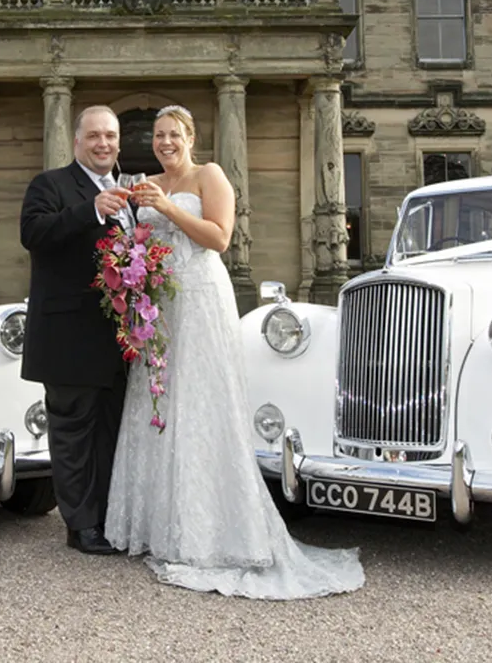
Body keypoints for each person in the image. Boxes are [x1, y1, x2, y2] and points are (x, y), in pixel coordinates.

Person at [104, 104, 365, 600]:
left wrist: (167, 208)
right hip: (162, 309)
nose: (165, 142)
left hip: (201, 299)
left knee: (202, 405)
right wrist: (132, 250)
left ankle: (210, 530)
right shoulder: (148, 180)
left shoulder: (210, 175)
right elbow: (144, 241)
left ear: (190, 136)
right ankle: (158, 527)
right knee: (159, 403)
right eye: (158, 135)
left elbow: (220, 238)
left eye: (174, 134)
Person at [19, 105, 136, 556]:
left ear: (119, 142)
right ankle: (80, 526)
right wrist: (90, 210)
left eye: (110, 136)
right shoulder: (49, 185)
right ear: (77, 142)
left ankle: (106, 518)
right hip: (69, 338)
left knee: (110, 434)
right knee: (73, 435)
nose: (103, 143)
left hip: (117, 341)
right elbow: (34, 233)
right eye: (94, 136)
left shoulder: (129, 195)